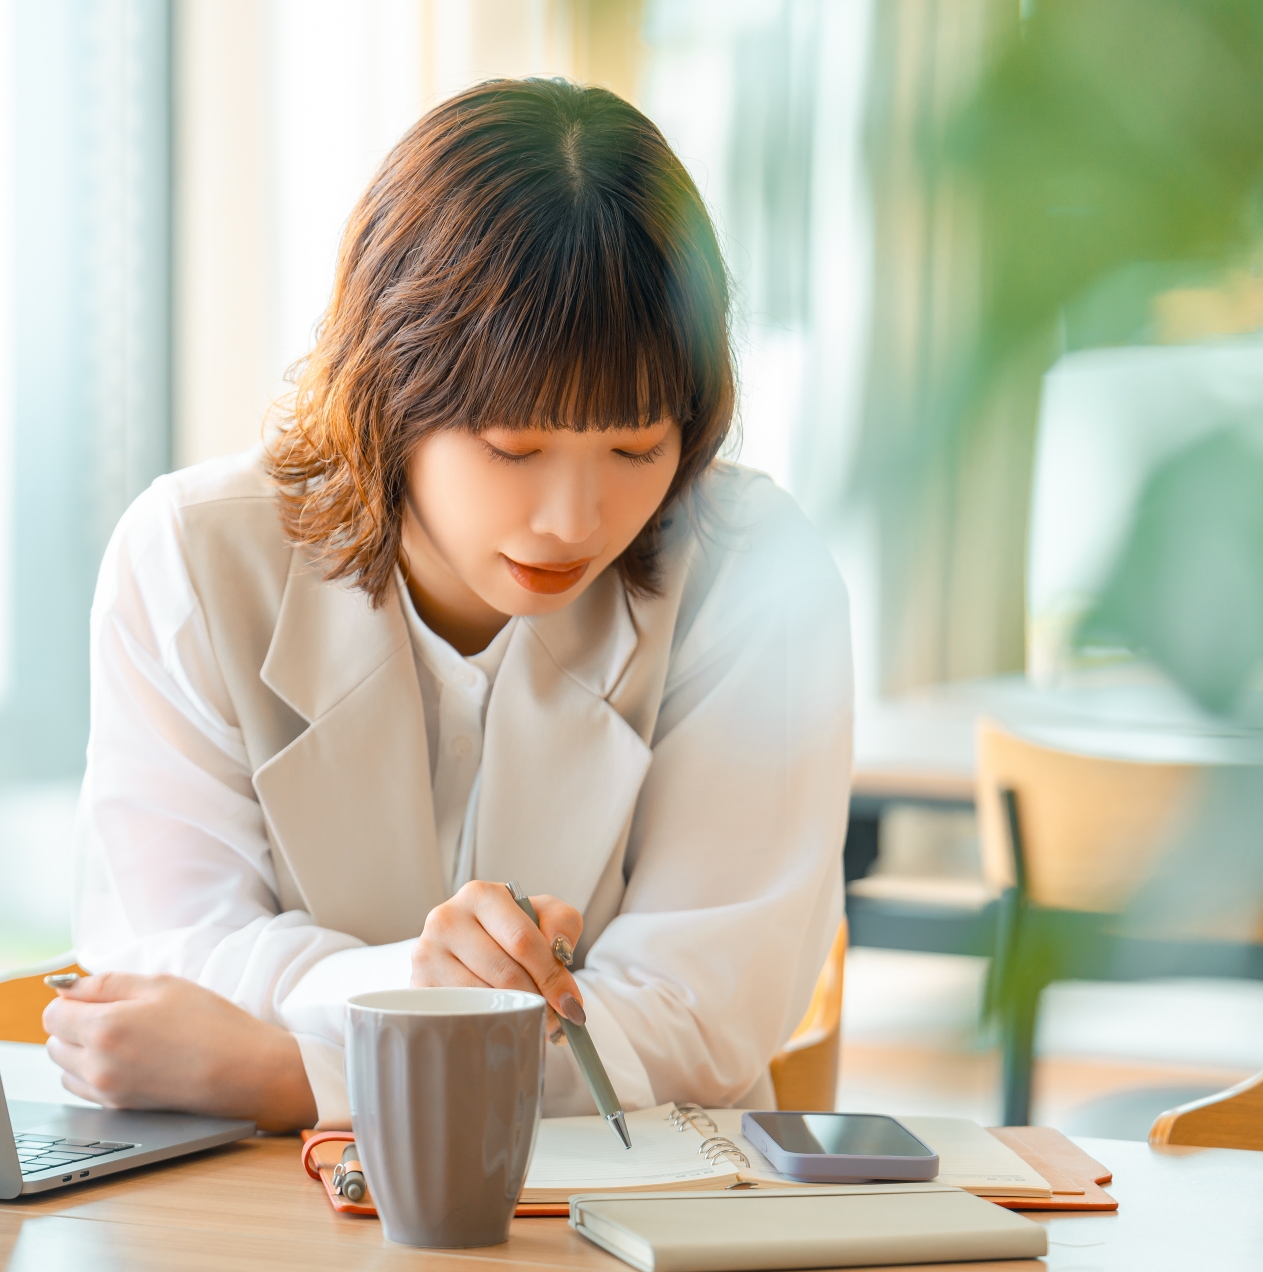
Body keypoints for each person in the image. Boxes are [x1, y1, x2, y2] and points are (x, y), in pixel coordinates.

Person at [43, 78, 851, 1132]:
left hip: (625, 1206)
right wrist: (412, 983)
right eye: (514, 446)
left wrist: (305, 1075)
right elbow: (170, 951)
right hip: (245, 1211)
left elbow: (695, 1022)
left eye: (635, 447)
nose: (575, 516)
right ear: (392, 387)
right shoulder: (194, 555)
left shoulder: (754, 576)